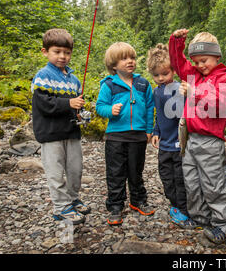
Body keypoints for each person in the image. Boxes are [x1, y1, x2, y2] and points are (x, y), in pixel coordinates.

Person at [169, 28, 226, 244]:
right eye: (196, 61)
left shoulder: (224, 77)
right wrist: (176, 41)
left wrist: (194, 92)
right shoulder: (193, 75)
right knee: (192, 181)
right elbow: (177, 63)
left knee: (214, 185)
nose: (200, 65)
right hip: (190, 139)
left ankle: (224, 227)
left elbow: (224, 102)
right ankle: (201, 218)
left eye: (204, 60)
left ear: (217, 57)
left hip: (211, 141)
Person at [31, 28, 90, 225]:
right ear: (45, 52)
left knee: (75, 170)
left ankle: (72, 199)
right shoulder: (42, 76)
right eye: (57, 51)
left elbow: (76, 106)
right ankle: (60, 207)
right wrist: (69, 104)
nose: (62, 56)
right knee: (55, 172)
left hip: (72, 132)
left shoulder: (73, 80)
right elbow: (44, 105)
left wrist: (81, 113)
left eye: (67, 52)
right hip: (50, 134)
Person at [96, 42, 155, 226]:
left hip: (138, 136)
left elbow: (150, 107)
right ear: (113, 65)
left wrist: (148, 130)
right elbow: (100, 107)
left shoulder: (143, 83)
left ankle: (138, 200)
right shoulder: (109, 85)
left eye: (132, 58)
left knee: (136, 171)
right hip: (115, 136)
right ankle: (115, 206)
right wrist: (110, 110)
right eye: (124, 59)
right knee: (115, 173)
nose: (130, 61)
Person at [146, 43, 189, 225]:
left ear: (173, 71)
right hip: (164, 145)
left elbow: (187, 115)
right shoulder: (156, 92)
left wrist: (187, 94)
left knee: (181, 178)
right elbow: (159, 114)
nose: (161, 78)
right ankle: (174, 204)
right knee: (166, 176)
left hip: (180, 145)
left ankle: (184, 208)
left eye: (165, 73)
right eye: (156, 75)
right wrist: (156, 131)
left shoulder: (181, 88)